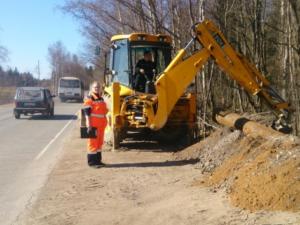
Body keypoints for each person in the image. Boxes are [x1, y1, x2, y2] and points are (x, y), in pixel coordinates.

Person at [82, 81, 108, 168]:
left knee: (99, 143)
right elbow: (86, 112)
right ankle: (92, 163)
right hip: (93, 125)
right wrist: (88, 123)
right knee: (92, 143)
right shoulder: (89, 98)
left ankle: (98, 161)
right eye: (95, 87)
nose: (97, 88)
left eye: (98, 87)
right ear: (92, 88)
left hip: (101, 125)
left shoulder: (101, 98)